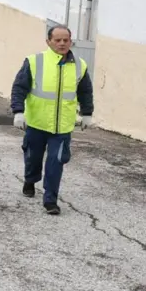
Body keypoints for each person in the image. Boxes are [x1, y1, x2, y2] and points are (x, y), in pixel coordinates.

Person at [10, 25, 94, 215]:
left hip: (62, 126)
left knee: (57, 162)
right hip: (37, 122)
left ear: (71, 41)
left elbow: (85, 91)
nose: (62, 43)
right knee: (33, 158)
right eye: (57, 40)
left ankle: (50, 200)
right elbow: (19, 88)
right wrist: (18, 111)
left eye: (66, 40)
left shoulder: (80, 65)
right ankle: (30, 180)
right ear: (48, 42)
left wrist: (87, 113)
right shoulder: (34, 61)